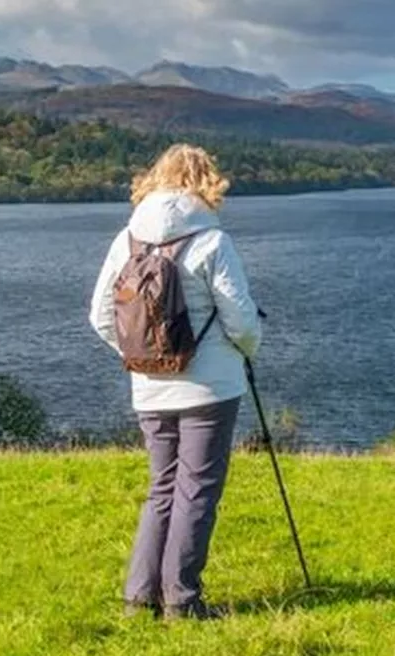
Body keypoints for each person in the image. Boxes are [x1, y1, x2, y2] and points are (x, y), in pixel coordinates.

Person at [89, 144, 262, 621]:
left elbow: (101, 317)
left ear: (155, 179)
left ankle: (139, 597)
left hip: (149, 387)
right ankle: (182, 602)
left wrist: (141, 359)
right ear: (207, 182)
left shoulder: (127, 239)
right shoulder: (212, 241)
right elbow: (241, 320)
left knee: (162, 486)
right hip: (209, 388)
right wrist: (247, 350)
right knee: (198, 490)